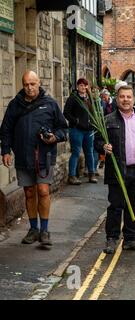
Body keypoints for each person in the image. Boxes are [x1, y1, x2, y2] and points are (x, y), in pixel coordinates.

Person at [0, 71, 68, 246]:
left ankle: (45, 230)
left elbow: (63, 128)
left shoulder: (50, 104)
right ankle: (33, 229)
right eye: (26, 84)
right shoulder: (16, 104)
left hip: (44, 156)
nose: (29, 88)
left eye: (32, 84)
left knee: (43, 191)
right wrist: (5, 151)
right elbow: (6, 129)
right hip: (23, 156)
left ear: (39, 83)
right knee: (29, 193)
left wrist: (55, 137)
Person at [95, 85, 135, 254]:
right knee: (116, 206)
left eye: (129, 97)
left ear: (133, 99)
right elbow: (98, 142)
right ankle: (112, 239)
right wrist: (103, 147)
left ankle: (130, 239)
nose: (125, 100)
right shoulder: (108, 120)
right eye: (122, 97)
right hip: (117, 170)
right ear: (117, 98)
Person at [63, 78, 98, 185]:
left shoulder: (89, 99)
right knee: (76, 152)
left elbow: (94, 112)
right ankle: (72, 176)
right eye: (81, 85)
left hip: (89, 130)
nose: (83, 87)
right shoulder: (73, 98)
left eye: (85, 85)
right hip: (76, 130)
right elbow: (66, 113)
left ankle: (91, 174)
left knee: (90, 152)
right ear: (78, 86)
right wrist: (76, 121)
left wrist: (93, 123)